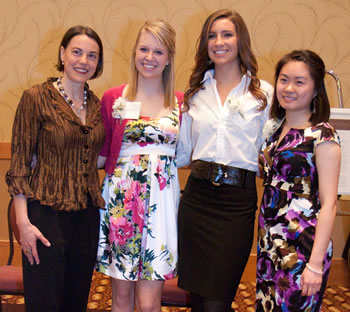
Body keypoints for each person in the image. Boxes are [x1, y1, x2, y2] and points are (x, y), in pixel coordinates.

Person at [176, 9, 273, 312]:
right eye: (211, 35)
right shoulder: (194, 94)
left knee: (218, 300)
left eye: (226, 34)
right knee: (200, 300)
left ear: (240, 39)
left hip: (236, 204)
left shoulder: (264, 94)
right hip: (197, 200)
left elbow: (273, 149)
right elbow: (182, 153)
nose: (219, 41)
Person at [6, 25, 105, 312]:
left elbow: (92, 157)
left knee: (76, 301)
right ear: (62, 54)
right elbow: (20, 167)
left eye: (92, 56)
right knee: (44, 302)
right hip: (44, 216)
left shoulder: (97, 106)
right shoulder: (36, 98)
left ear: (98, 64)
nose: (83, 61)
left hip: (86, 218)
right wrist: (23, 224)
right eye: (76, 52)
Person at [95, 19, 183, 312]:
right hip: (122, 201)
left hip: (162, 205)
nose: (149, 57)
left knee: (148, 303)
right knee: (120, 297)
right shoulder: (113, 98)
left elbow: (189, 153)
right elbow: (101, 153)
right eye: (144, 49)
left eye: (158, 51)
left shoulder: (183, 102)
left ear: (169, 57)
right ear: (134, 52)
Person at [256, 50, 341, 311]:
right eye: (284, 80)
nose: (289, 88)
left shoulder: (322, 135)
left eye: (299, 82)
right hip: (270, 242)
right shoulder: (275, 131)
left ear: (316, 90)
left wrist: (315, 265)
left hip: (303, 246)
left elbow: (330, 205)